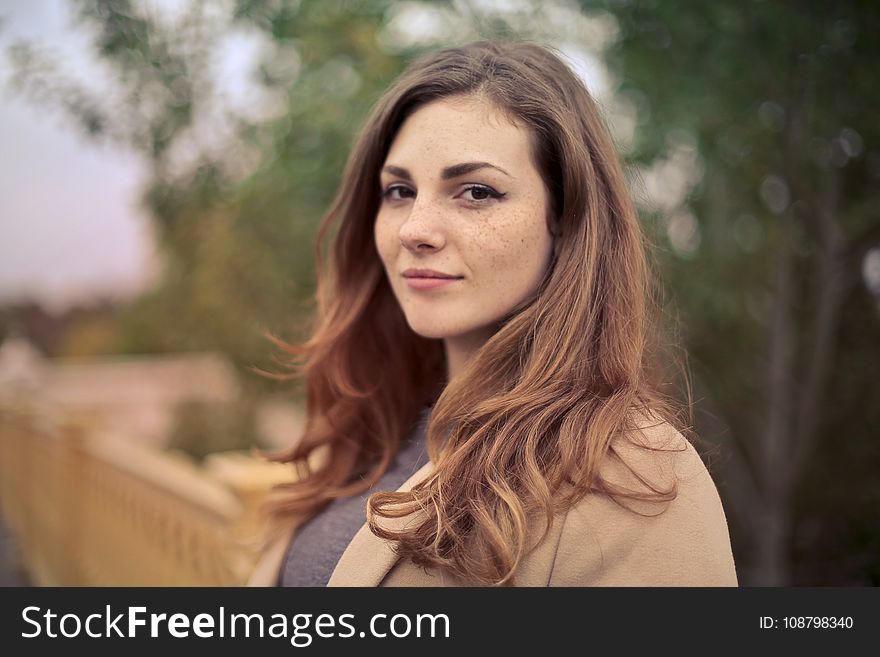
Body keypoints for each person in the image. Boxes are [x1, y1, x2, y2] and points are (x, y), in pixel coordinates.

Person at [248, 40, 737, 587]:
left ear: (565, 218)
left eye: (476, 192)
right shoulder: (371, 431)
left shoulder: (633, 474)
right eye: (400, 191)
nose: (415, 230)